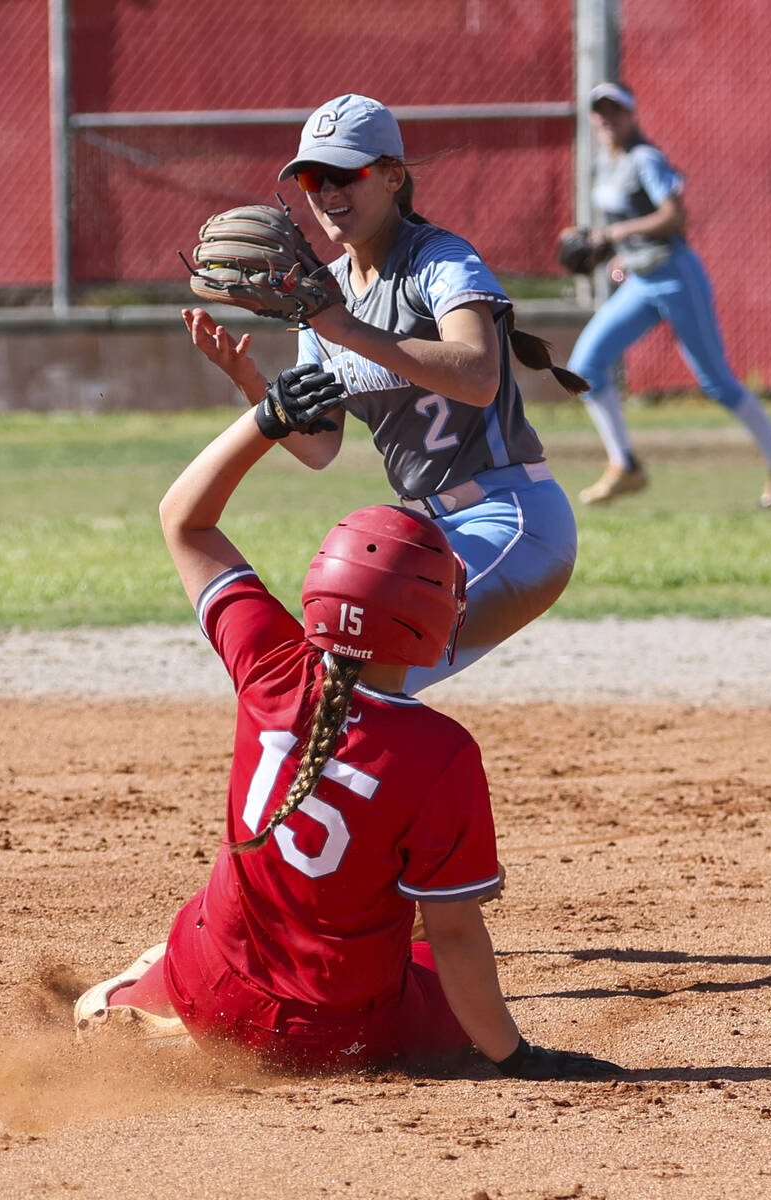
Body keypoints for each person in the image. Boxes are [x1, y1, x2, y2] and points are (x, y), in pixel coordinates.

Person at [72, 366, 623, 1082]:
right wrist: (515, 1058)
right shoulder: (441, 753)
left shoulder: (271, 663)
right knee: (437, 931)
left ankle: (138, 1000)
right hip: (330, 1035)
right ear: (432, 627)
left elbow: (185, 518)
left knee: (222, 910)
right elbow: (457, 936)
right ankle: (182, 1017)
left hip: (211, 982)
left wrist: (265, 419)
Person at [183, 92, 583, 694]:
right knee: (346, 675)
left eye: (345, 172)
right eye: (313, 177)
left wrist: (342, 326)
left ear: (393, 176)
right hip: (426, 533)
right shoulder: (324, 294)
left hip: (512, 520)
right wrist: (250, 383)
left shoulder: (439, 260)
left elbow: (478, 376)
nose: (327, 192)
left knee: (356, 677)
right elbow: (321, 448)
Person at [567, 82, 771, 510]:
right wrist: (618, 254)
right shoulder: (602, 165)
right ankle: (624, 465)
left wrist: (616, 234)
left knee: (716, 382)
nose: (606, 118)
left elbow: (674, 217)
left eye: (615, 110)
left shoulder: (646, 158)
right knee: (585, 366)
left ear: (631, 114)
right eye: (599, 111)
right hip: (641, 280)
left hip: (676, 275)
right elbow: (624, 225)